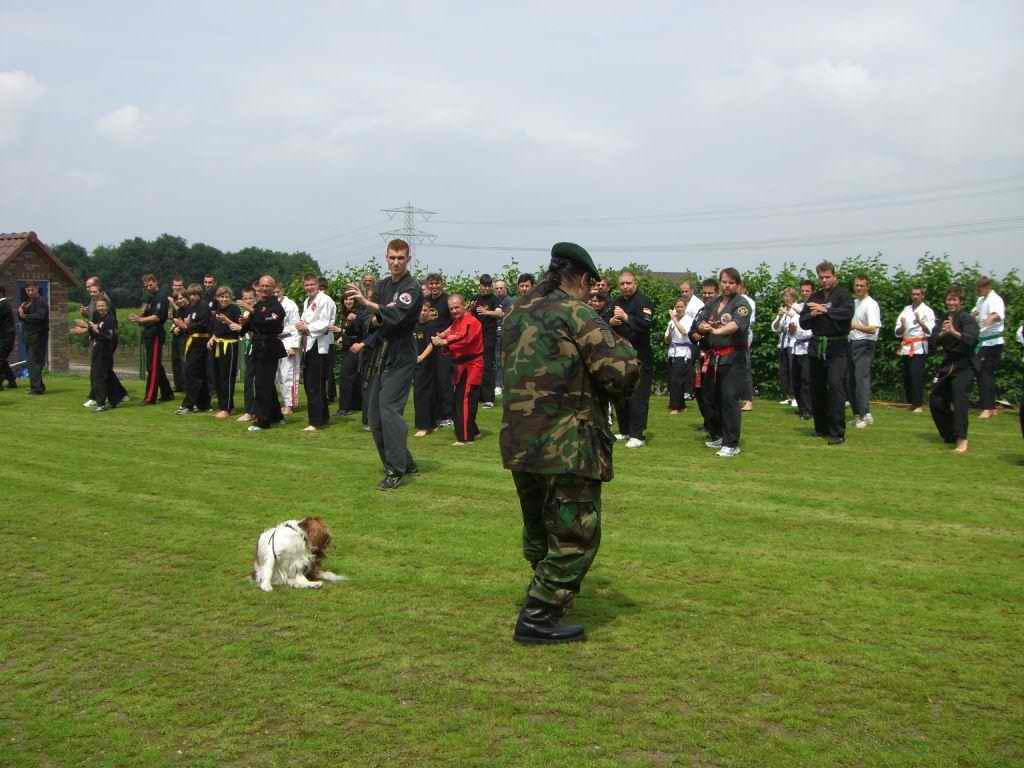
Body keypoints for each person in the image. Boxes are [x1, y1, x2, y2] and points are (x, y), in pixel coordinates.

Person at [501, 242, 639, 644]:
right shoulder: (577, 313)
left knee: (539, 529)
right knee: (576, 534)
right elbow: (621, 373)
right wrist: (620, 338)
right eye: (590, 284)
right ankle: (538, 616)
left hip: (521, 440)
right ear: (579, 278)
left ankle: (547, 593)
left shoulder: (516, 312)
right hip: (567, 443)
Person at [346, 239, 423, 491]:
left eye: (401, 258)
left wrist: (371, 307)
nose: (396, 262)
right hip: (381, 353)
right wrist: (375, 317)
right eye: (392, 257)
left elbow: (397, 316)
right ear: (386, 258)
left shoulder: (411, 287)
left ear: (408, 259)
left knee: (389, 410)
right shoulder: (381, 286)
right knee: (374, 417)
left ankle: (395, 470)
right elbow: (368, 320)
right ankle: (405, 461)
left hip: (402, 355)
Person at [695, 268, 751, 458]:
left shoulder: (741, 303)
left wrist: (717, 331)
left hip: (733, 358)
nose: (727, 285)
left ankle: (731, 443)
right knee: (713, 399)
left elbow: (736, 324)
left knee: (729, 399)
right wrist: (702, 327)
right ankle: (719, 435)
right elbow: (700, 321)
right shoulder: (713, 302)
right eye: (724, 282)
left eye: (731, 282)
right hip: (713, 358)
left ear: (738, 285)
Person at [800, 261, 854, 444]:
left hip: (837, 346)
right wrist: (812, 315)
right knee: (817, 388)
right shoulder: (814, 296)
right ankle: (821, 428)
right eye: (821, 277)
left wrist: (826, 309)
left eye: (827, 277)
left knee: (835, 387)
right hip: (816, 346)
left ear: (834, 276)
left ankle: (837, 432)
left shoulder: (843, 294)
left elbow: (847, 313)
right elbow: (803, 322)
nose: (824, 280)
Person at [929, 286, 979, 453]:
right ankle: (950, 435)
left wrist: (953, 332)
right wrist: (943, 333)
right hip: (948, 364)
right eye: (949, 299)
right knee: (936, 399)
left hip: (965, 364)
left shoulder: (967, 319)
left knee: (959, 399)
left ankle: (962, 439)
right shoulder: (943, 319)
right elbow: (932, 342)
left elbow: (971, 340)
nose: (951, 302)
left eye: (954, 299)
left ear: (960, 302)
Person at [432, 294, 484, 445]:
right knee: (459, 401)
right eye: (451, 309)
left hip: (472, 366)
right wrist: (442, 338)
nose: (454, 311)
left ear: (463, 305)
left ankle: (466, 438)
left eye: (457, 307)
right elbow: (451, 336)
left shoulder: (471, 321)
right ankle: (474, 431)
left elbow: (463, 338)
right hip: (461, 367)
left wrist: (444, 342)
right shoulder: (456, 322)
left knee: (465, 401)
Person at [610, 270, 653, 448]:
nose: (625, 286)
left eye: (628, 283)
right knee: (621, 395)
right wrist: (611, 322)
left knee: (638, 396)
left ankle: (637, 435)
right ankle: (625, 430)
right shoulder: (616, 302)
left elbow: (646, 324)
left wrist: (626, 317)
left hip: (639, 355)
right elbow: (604, 321)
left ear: (635, 283)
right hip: (621, 356)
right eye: (622, 284)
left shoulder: (643, 301)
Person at [244, 276, 287, 432]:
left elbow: (270, 321)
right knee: (266, 383)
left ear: (273, 288)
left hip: (269, 347)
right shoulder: (259, 304)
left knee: (262, 384)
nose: (264, 288)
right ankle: (277, 416)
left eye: (267, 286)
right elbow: (253, 324)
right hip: (257, 346)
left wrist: (252, 311)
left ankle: (262, 421)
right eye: (261, 285)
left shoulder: (276, 306)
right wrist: (243, 323)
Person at [295, 274, 336, 431]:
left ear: (318, 285)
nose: (309, 288)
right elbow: (305, 320)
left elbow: (324, 323)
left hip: (321, 346)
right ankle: (322, 417)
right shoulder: (307, 301)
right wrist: (301, 325)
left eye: (312, 284)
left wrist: (306, 327)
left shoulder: (325, 300)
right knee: (311, 384)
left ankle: (316, 421)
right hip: (309, 344)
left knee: (314, 385)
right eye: (306, 285)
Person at [129, 274, 175, 405]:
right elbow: (145, 312)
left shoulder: (161, 297)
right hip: (149, 333)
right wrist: (138, 317)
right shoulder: (150, 298)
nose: (148, 288)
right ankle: (167, 393)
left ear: (155, 282)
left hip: (156, 333)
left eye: (150, 285)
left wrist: (140, 319)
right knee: (156, 365)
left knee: (152, 367)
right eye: (146, 286)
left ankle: (150, 397)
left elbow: (157, 317)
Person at [894, 286, 935, 413]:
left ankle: (918, 404)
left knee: (915, 374)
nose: (915, 296)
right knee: (907, 375)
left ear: (923, 296)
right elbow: (898, 331)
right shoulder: (906, 309)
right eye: (913, 294)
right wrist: (902, 327)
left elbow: (930, 331)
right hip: (906, 346)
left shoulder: (927, 311)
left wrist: (920, 322)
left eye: (918, 294)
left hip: (919, 346)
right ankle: (911, 402)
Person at [847, 275, 881, 428]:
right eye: (856, 285)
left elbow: (873, 328)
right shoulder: (855, 303)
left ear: (867, 287)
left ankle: (865, 414)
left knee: (861, 379)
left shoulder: (871, 304)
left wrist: (855, 326)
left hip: (865, 343)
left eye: (861, 285)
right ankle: (857, 414)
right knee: (850, 380)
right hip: (852, 342)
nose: (858, 288)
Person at [174, 284, 212, 414]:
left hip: (201, 342)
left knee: (191, 372)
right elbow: (186, 322)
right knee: (197, 373)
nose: (192, 297)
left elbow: (203, 325)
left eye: (195, 295)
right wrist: (181, 327)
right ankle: (202, 403)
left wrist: (186, 326)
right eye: (190, 295)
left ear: (199, 295)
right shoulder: (191, 307)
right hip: (192, 341)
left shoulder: (204, 307)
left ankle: (188, 404)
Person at [423, 273, 454, 428]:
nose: (434, 286)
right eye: (431, 283)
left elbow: (455, 323)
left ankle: (447, 415)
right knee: (430, 380)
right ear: (427, 285)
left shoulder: (448, 301)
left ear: (442, 284)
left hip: (443, 346)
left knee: (444, 380)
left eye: (437, 283)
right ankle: (434, 414)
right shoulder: (425, 300)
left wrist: (443, 336)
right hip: (427, 345)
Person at [689, 279, 720, 434]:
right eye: (705, 293)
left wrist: (706, 332)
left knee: (712, 393)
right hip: (700, 355)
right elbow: (692, 331)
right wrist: (695, 335)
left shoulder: (721, 311)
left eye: (710, 293)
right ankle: (708, 422)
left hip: (715, 356)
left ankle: (716, 426)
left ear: (717, 293)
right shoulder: (701, 311)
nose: (707, 296)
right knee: (699, 391)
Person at [972, 276, 1005, 419]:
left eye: (979, 288)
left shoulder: (995, 299)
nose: (978, 291)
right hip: (983, 341)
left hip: (993, 341)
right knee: (984, 373)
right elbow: (975, 312)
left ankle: (988, 408)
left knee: (985, 373)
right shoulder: (981, 300)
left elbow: (997, 315)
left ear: (987, 287)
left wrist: (990, 319)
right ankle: (990, 406)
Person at [209, 286, 243, 418]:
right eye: (221, 297)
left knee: (227, 377)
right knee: (217, 376)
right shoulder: (217, 310)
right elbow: (216, 328)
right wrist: (212, 338)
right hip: (218, 344)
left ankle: (227, 408)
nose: (224, 299)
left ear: (230, 297)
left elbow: (238, 328)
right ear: (217, 298)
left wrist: (226, 320)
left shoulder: (234, 309)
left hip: (230, 345)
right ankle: (225, 405)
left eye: (226, 297)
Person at [85, 297, 122, 412]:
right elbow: (95, 334)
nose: (100, 308)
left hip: (105, 352)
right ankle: (115, 399)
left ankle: (100, 403)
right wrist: (89, 327)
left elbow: (108, 336)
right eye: (98, 306)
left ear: (107, 307)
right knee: (106, 376)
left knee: (99, 377)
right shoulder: (99, 318)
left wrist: (97, 330)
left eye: (102, 306)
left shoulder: (110, 319)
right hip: (97, 350)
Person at [470, 274, 502, 408]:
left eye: (489, 286)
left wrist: (486, 312)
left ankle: (489, 398)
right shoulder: (475, 298)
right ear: (480, 286)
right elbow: (469, 314)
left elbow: (499, 313)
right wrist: (469, 309)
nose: (486, 288)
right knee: (475, 366)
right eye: (484, 286)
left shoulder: (494, 299)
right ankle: (479, 396)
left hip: (489, 337)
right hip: (475, 337)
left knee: (487, 366)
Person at [333, 292, 366, 417]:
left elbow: (358, 331)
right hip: (349, 348)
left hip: (356, 348)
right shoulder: (346, 314)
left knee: (346, 377)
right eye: (345, 299)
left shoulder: (357, 314)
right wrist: (341, 336)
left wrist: (341, 330)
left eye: (351, 299)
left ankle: (344, 408)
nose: (348, 301)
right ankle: (356, 405)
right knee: (355, 377)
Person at [770, 288, 800, 408]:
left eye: (789, 296)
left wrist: (787, 313)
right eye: (785, 296)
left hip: (793, 344)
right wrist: (779, 317)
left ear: (794, 297)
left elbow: (796, 321)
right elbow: (775, 328)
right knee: (784, 371)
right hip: (783, 344)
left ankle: (795, 397)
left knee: (793, 371)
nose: (786, 298)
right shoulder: (783, 310)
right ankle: (788, 396)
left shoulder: (797, 308)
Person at [18, 281, 49, 395]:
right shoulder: (27, 302)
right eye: (28, 290)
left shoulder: (41, 301)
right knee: (32, 362)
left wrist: (25, 315)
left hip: (38, 336)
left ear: (37, 288)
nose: (30, 292)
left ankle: (36, 389)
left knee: (34, 362)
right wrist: (21, 311)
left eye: (32, 290)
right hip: (30, 335)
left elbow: (40, 316)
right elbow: (22, 318)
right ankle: (38, 386)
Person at [275, 284, 301, 416]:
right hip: (275, 341)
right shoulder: (271, 304)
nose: (275, 294)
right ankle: (283, 402)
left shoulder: (290, 305)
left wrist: (293, 345)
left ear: (282, 290)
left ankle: (290, 404)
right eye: (273, 292)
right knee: (277, 377)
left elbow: (296, 326)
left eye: (277, 291)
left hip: (288, 341)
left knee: (288, 374)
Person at [790, 280, 814, 420]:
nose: (804, 293)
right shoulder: (797, 307)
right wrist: (792, 331)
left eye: (807, 291)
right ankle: (801, 408)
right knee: (796, 381)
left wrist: (797, 333)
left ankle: (808, 410)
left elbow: (811, 331)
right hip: (796, 348)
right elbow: (792, 326)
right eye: (803, 291)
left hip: (808, 348)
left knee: (806, 381)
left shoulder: (814, 308)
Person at [664, 297, 693, 414]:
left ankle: (675, 407)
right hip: (672, 352)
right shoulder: (671, 322)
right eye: (677, 307)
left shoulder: (689, 320)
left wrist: (674, 320)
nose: (679, 309)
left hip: (683, 353)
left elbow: (684, 332)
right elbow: (666, 340)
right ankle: (681, 405)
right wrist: (669, 335)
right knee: (673, 379)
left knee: (677, 380)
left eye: (681, 307)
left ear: (685, 308)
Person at [412, 302, 438, 437]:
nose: (423, 312)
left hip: (426, 363)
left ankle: (424, 426)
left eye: (425, 310)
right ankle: (432, 424)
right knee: (426, 393)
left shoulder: (431, 326)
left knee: (421, 393)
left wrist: (421, 357)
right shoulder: (413, 324)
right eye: (421, 310)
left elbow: (431, 344)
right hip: (415, 362)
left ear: (429, 311)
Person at [677, 281, 704, 402]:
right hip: (682, 339)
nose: (684, 293)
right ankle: (683, 390)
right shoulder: (681, 303)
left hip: (694, 339)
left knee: (690, 366)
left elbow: (700, 322)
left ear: (692, 291)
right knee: (683, 366)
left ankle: (689, 392)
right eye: (682, 291)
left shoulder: (698, 304)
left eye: (686, 291)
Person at [235, 286, 258, 423]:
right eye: (245, 298)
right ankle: (250, 410)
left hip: (258, 348)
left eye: (250, 298)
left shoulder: (257, 311)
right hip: (248, 347)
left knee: (253, 380)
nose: (248, 301)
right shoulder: (244, 313)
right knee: (248, 379)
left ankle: (251, 411)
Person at [737, 281, 756, 411]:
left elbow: (747, 322)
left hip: (743, 336)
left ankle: (748, 400)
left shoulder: (747, 302)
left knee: (745, 367)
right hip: (730, 337)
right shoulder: (732, 300)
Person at [493, 279, 514, 396]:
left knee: (507, 359)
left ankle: (506, 384)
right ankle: (498, 384)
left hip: (507, 333)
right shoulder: (493, 301)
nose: (499, 290)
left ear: (506, 289)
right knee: (497, 360)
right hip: (495, 334)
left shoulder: (511, 301)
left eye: (501, 288)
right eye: (497, 288)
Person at [168, 276, 186, 391]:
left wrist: (179, 327)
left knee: (183, 359)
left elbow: (185, 313)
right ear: (172, 286)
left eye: (180, 285)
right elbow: (173, 316)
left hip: (184, 332)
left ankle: (185, 385)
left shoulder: (184, 297)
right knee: (175, 359)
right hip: (175, 332)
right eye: (176, 285)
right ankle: (178, 384)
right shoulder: (173, 298)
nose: (177, 287)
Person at [0, 286, 16, 388]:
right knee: (3, 360)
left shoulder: (3, 304)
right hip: (5, 337)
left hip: (6, 338)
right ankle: (12, 381)